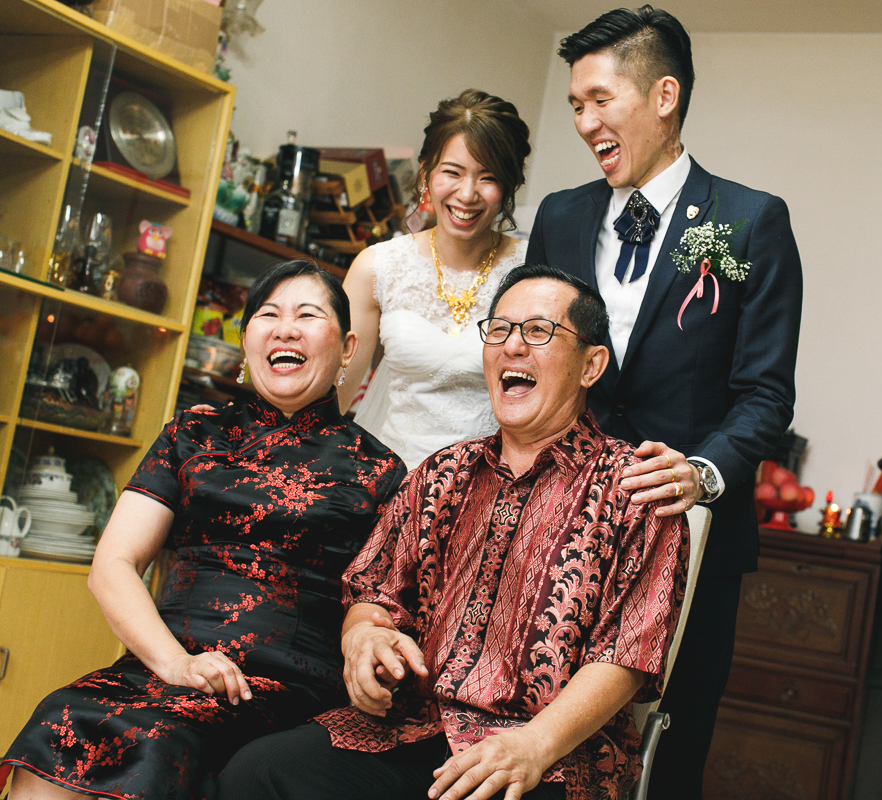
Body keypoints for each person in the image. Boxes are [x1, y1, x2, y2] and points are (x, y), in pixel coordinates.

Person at [219, 264, 689, 800]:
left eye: (538, 331)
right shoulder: (443, 474)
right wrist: (365, 637)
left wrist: (534, 745)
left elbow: (626, 658)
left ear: (591, 365)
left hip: (552, 753)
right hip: (414, 729)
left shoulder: (637, 490)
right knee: (256, 774)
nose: (513, 346)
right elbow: (373, 592)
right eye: (500, 329)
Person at [524, 7, 803, 795]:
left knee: (660, 758)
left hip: (689, 536)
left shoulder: (750, 223)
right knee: (531, 734)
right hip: (559, 525)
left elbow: (764, 394)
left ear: (664, 95)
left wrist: (702, 475)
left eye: (599, 100)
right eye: (575, 104)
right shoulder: (561, 215)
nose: (584, 122)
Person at [1, 260, 406, 800]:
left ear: (348, 347)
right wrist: (175, 663)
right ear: (247, 341)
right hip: (165, 663)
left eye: (307, 315)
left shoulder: (379, 469)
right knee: (60, 717)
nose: (286, 328)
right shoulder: (193, 433)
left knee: (156, 740)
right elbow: (113, 566)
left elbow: (383, 601)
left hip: (280, 685)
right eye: (268, 315)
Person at [337, 90, 531, 467]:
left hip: (488, 490)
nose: (467, 194)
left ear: (509, 187)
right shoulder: (377, 267)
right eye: (452, 173)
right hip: (390, 481)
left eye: (488, 177)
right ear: (426, 173)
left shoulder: (532, 273)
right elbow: (333, 397)